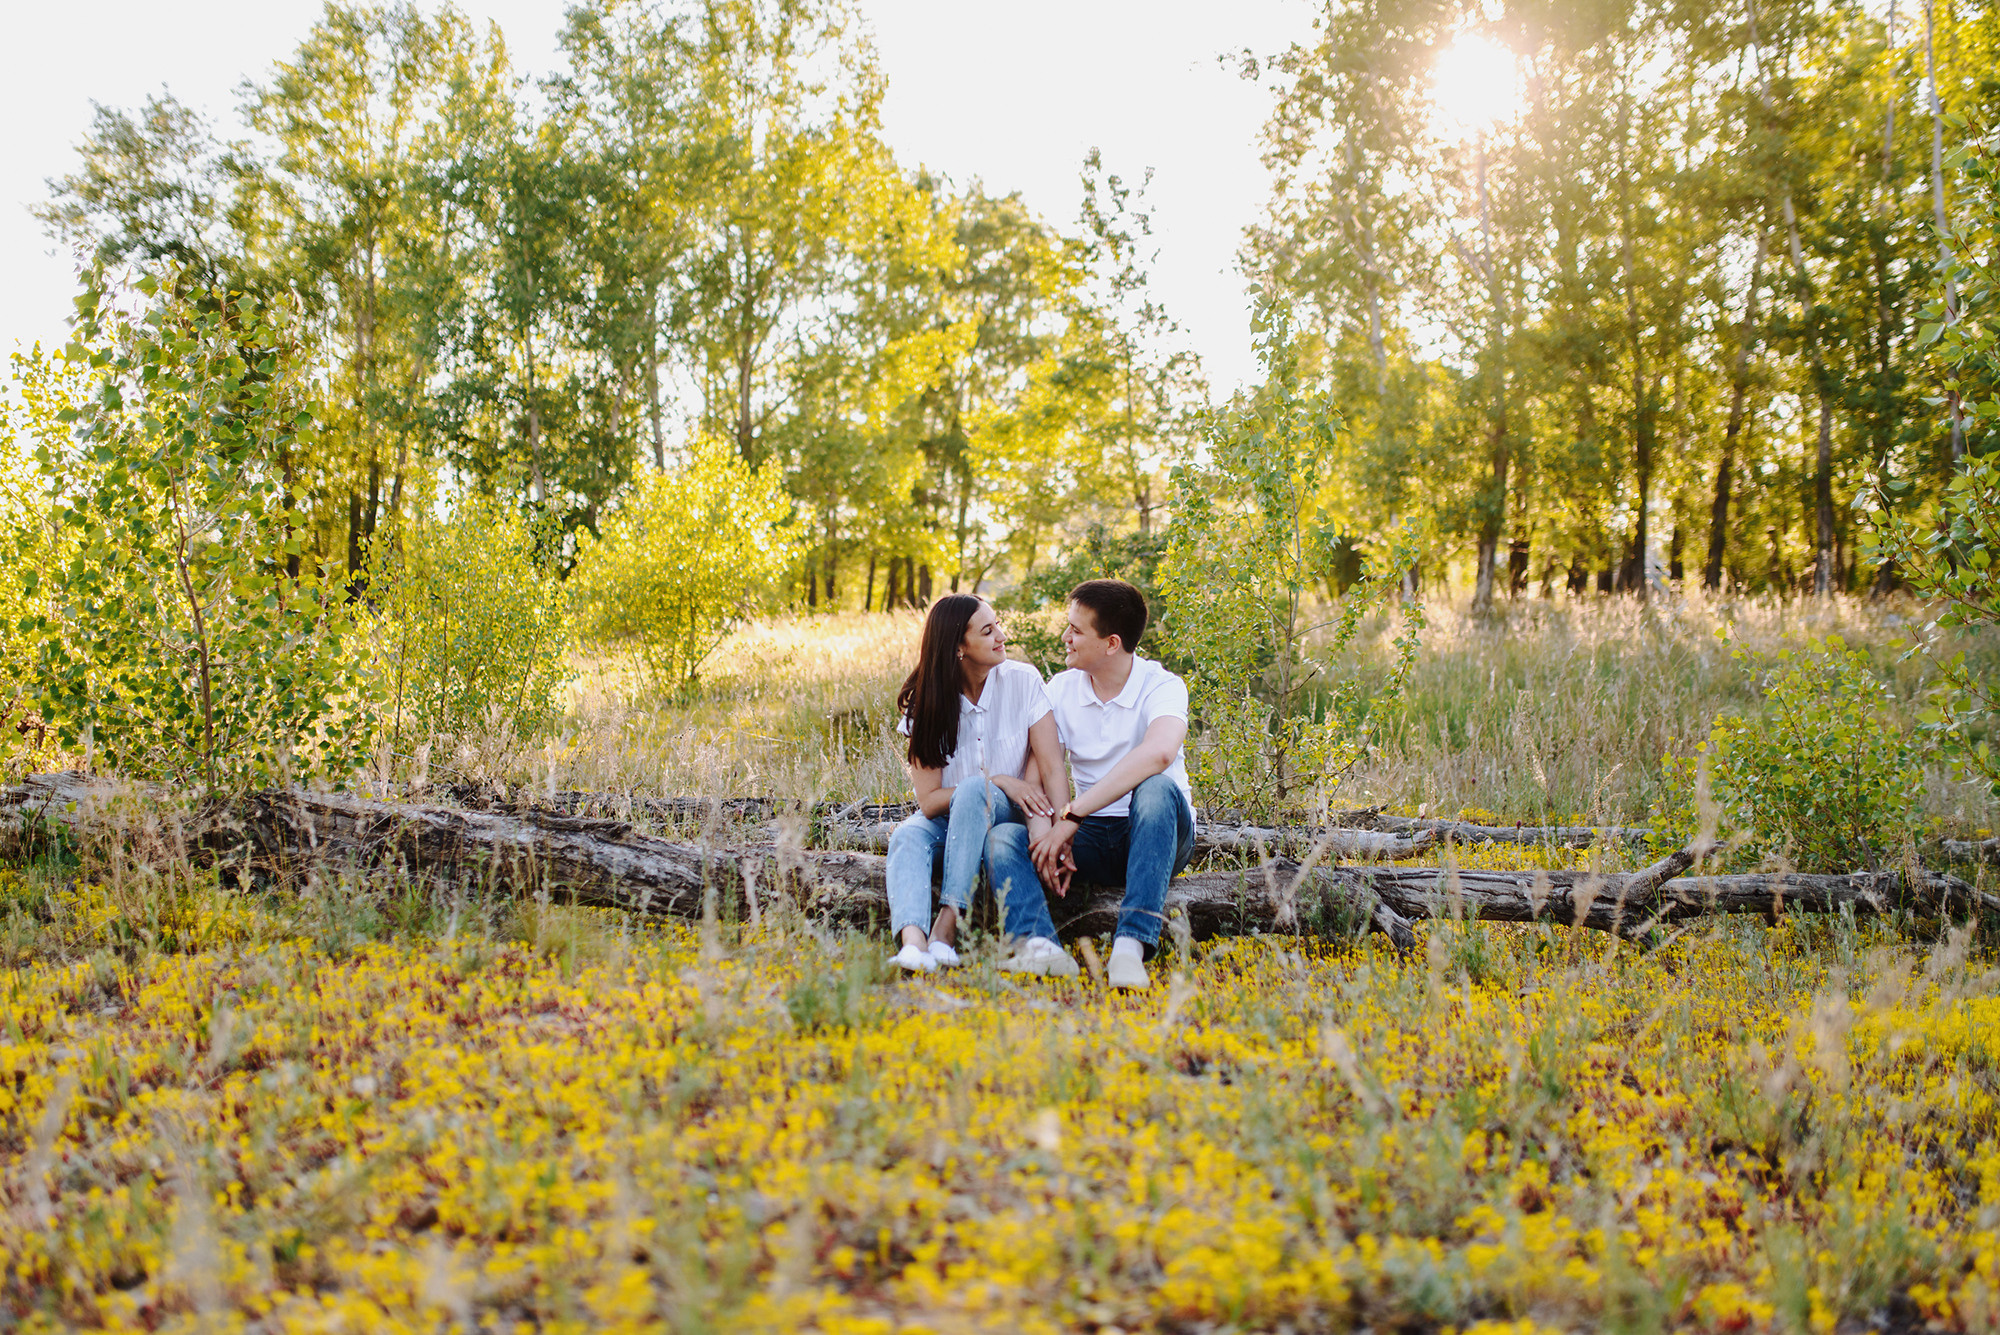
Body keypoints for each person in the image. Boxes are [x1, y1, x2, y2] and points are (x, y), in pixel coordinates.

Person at [987, 579, 1194, 989]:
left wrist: (1073, 814)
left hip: (1157, 831)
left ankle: (1130, 947)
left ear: (1112, 643)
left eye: (1076, 630)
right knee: (1002, 839)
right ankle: (1040, 947)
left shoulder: (1163, 685)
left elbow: (1159, 754)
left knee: (1154, 788)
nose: (1065, 637)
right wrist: (1047, 834)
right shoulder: (1062, 688)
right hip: (1093, 836)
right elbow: (1042, 766)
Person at [884, 594, 1067, 973]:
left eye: (998, 624)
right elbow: (929, 800)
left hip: (1007, 817)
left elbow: (1051, 767)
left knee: (971, 790)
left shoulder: (1023, 680)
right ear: (958, 648)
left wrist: (1059, 832)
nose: (1001, 636)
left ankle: (947, 927)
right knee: (907, 835)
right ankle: (914, 946)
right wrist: (999, 778)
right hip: (950, 820)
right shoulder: (928, 701)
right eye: (988, 631)